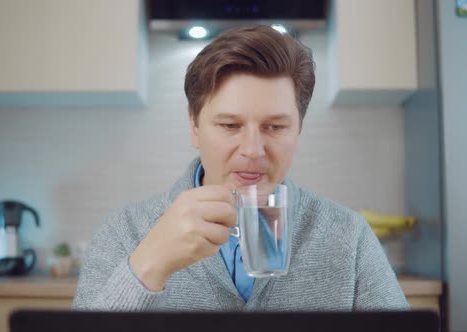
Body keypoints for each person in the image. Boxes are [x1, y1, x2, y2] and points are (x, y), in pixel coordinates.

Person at [73, 25, 408, 311]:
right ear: (194, 126)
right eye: (230, 125)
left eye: (275, 127)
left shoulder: (350, 237)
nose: (252, 151)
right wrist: (148, 265)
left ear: (299, 129)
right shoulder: (124, 233)